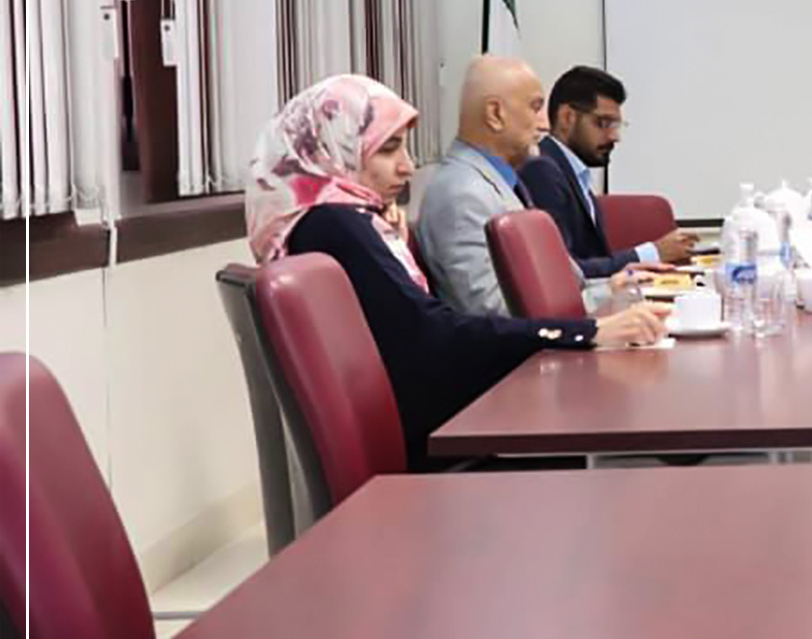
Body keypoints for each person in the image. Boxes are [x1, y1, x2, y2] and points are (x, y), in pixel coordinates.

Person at [245, 75, 668, 469]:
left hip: (431, 425)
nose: (408, 166)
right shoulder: (336, 225)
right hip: (437, 445)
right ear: (330, 149)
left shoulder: (324, 222)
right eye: (388, 149)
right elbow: (435, 336)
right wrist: (585, 333)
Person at [415, 55, 562, 316]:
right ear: (495, 114)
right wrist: (596, 319)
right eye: (535, 107)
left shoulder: (498, 182)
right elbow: (491, 311)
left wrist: (614, 290)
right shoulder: (461, 195)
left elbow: (566, 283)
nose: (545, 124)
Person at [519, 65, 697, 277]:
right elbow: (564, 270)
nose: (614, 137)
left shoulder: (572, 172)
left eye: (616, 125)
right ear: (567, 117)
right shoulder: (542, 170)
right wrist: (653, 253)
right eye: (604, 123)